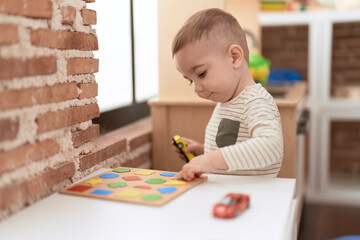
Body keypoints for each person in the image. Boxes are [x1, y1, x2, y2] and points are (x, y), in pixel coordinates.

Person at [171, 8, 283, 181]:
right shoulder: (229, 102)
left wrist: (210, 161)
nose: (196, 88)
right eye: (190, 80)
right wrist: (202, 151)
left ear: (234, 57)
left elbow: (271, 146)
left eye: (201, 74)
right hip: (231, 190)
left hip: (256, 196)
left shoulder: (255, 101)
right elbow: (234, 147)